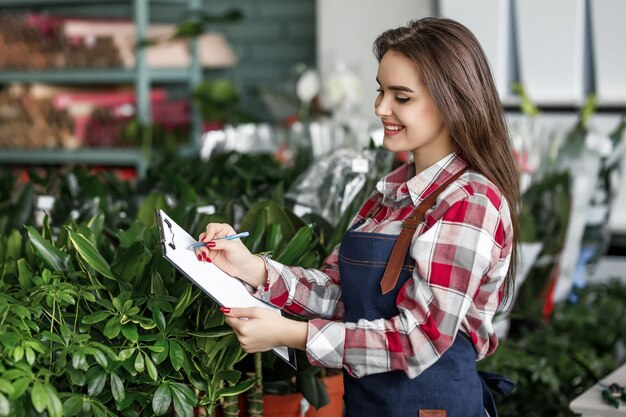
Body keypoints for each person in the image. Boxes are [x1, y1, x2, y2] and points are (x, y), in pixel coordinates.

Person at [196, 17, 519, 417]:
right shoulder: (390, 193)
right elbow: (340, 294)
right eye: (381, 91)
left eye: (401, 97)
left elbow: (419, 338)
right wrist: (254, 270)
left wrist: (291, 335)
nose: (380, 108)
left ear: (453, 102)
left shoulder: (469, 202)